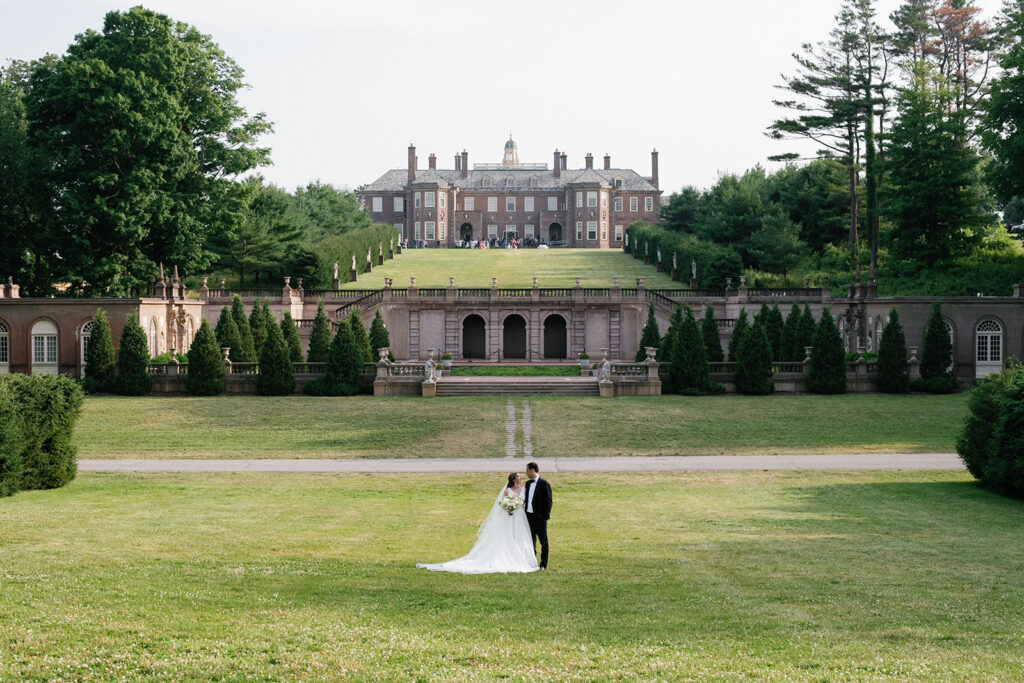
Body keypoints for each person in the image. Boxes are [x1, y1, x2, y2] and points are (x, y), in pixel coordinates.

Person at [417, 472, 539, 574]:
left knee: (520, 537)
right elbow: (502, 503)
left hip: (520, 517)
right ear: (513, 480)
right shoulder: (507, 491)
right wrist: (509, 508)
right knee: (508, 537)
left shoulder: (524, 489)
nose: (521, 478)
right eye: (518, 477)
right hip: (510, 516)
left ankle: (522, 559)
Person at [524, 461, 552, 570]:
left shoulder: (544, 484)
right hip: (529, 517)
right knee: (531, 541)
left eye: (527, 471)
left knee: (543, 541)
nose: (526, 473)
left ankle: (543, 564)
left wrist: (545, 516)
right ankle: (533, 562)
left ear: (532, 470)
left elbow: (548, 501)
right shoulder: (527, 483)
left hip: (540, 518)